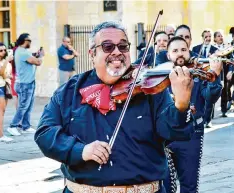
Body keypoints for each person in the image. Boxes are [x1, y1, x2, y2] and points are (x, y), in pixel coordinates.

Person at [35, 21, 195, 193]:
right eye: (107, 46)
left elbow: (175, 132)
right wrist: (80, 150)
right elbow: (45, 133)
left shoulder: (150, 89)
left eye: (123, 46)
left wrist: (182, 104)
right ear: (92, 54)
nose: (117, 52)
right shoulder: (68, 92)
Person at [163, 36, 222, 193]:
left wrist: (215, 76)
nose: (180, 54)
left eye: (183, 50)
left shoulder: (198, 75)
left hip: (191, 135)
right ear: (168, 55)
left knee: (189, 185)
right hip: (165, 136)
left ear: (189, 52)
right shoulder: (160, 76)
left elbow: (211, 96)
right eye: (175, 51)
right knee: (165, 186)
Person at [7, 33, 43, 136]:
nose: (30, 42)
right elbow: (38, 62)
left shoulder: (22, 51)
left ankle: (25, 126)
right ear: (24, 41)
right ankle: (13, 126)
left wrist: (35, 55)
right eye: (29, 41)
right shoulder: (22, 53)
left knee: (28, 106)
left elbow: (31, 58)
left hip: (27, 83)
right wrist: (40, 56)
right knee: (23, 106)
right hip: (25, 84)